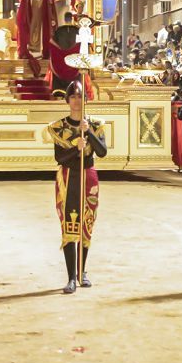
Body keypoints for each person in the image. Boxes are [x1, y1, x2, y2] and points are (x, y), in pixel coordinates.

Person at [48, 80, 107, 294]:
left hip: (88, 176)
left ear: (86, 99)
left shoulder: (96, 124)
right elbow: (59, 156)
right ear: (67, 100)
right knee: (69, 224)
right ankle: (71, 277)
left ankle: (82, 272)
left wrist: (88, 132)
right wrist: (76, 147)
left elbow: (101, 152)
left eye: (80, 96)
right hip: (68, 176)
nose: (76, 100)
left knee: (86, 223)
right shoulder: (59, 127)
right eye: (72, 96)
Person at [16, 0, 58, 77]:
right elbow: (24, 2)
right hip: (32, 18)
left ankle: (39, 52)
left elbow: (49, 0)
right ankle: (31, 51)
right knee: (31, 34)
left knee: (40, 34)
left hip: (40, 19)